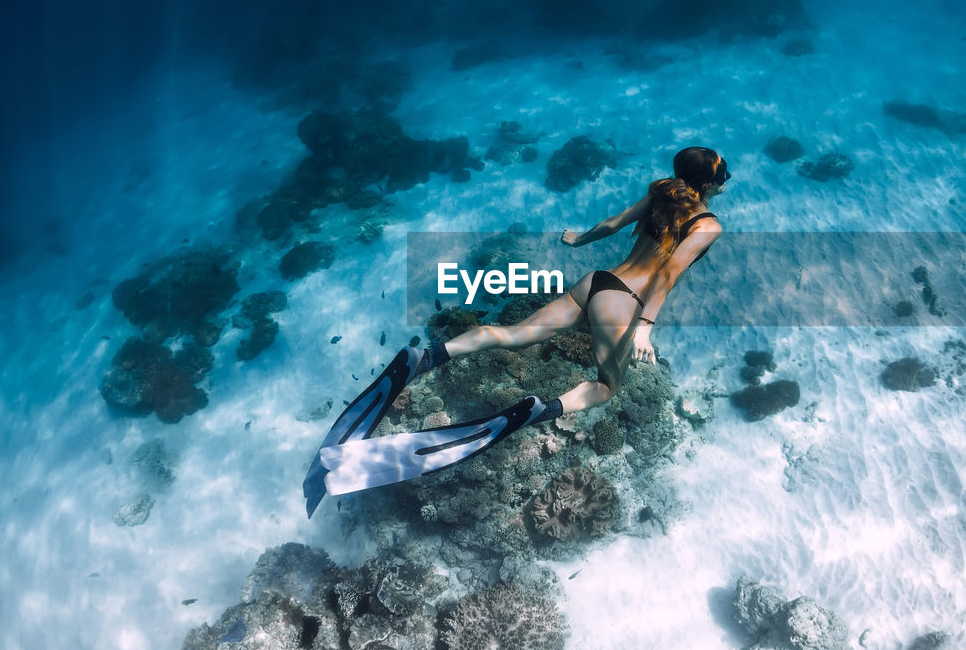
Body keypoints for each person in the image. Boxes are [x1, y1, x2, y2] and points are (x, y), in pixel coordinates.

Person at [305, 146, 729, 508]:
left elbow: (612, 225)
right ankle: (540, 411)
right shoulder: (707, 225)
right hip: (624, 303)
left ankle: (428, 355)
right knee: (607, 387)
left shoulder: (663, 194)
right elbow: (669, 273)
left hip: (598, 282)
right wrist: (645, 327)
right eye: (722, 172)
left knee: (514, 336)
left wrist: (579, 240)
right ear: (708, 183)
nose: (726, 176)